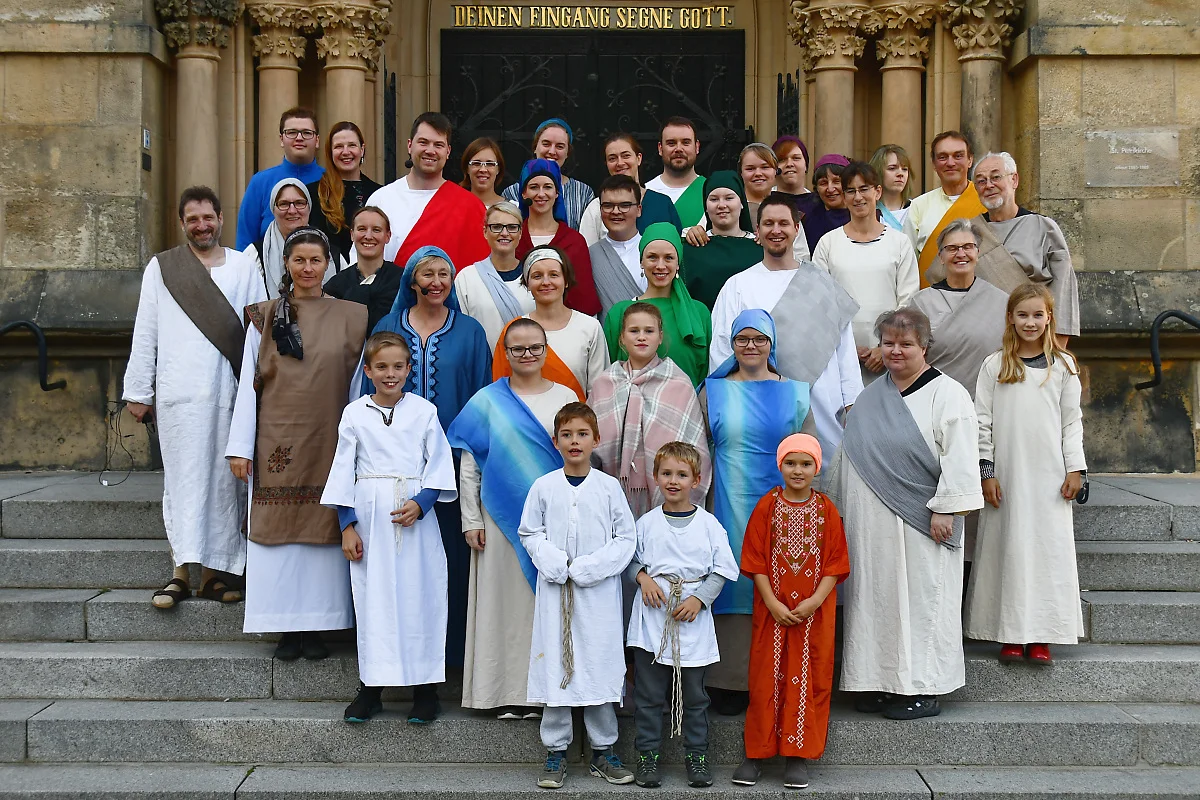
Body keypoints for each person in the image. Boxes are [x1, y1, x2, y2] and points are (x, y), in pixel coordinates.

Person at [831, 307, 983, 720]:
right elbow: (850, 455)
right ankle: (880, 682)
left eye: (906, 344)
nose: (896, 351)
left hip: (924, 520)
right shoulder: (871, 394)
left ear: (924, 346)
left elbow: (962, 458)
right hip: (872, 522)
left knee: (921, 602)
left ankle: (923, 688)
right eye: (889, 343)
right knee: (876, 600)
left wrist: (949, 509)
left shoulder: (948, 394)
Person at [226, 227, 366, 661]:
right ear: (286, 264)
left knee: (322, 535)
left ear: (329, 264)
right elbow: (249, 383)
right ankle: (284, 627)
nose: (308, 268)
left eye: (316, 260)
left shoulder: (352, 315)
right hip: (276, 441)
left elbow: (360, 384)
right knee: (279, 538)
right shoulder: (265, 316)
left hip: (330, 438)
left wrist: (361, 444)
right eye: (299, 260)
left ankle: (318, 626)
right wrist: (240, 447)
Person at [124, 186, 266, 609]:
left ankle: (219, 575)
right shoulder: (163, 268)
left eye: (208, 217)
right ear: (182, 223)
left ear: (221, 218)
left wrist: (260, 389)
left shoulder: (245, 267)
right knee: (184, 483)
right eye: (193, 219)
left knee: (227, 485)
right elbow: (146, 327)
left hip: (229, 392)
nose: (202, 225)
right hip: (178, 394)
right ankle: (180, 573)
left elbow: (257, 331)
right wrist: (138, 389)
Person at [322, 331, 457, 724]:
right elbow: (342, 469)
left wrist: (422, 502)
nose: (390, 373)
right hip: (368, 517)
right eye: (381, 366)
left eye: (398, 366)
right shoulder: (355, 413)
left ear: (409, 369)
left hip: (413, 517)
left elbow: (439, 464)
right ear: (368, 370)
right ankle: (372, 688)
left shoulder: (422, 411)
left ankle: (426, 690)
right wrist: (347, 525)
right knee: (374, 600)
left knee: (421, 596)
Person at [368, 246, 492, 670]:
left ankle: (451, 657)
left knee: (449, 559)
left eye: (444, 273)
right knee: (399, 560)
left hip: (453, 465)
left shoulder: (470, 332)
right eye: (428, 273)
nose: (436, 281)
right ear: (412, 281)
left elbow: (481, 397)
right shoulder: (388, 326)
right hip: (393, 468)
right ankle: (397, 658)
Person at [449, 319, 579, 719]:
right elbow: (470, 464)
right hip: (499, 516)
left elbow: (578, 457)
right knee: (499, 604)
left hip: (552, 521)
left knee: (542, 605)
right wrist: (471, 518)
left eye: (535, 347)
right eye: (518, 348)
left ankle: (540, 694)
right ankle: (498, 692)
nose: (527, 355)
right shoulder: (487, 400)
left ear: (545, 349)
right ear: (505, 353)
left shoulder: (566, 397)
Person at [701, 308, 816, 715]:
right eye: (742, 340)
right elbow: (697, 450)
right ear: (731, 345)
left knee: (782, 583)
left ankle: (778, 678)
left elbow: (809, 450)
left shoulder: (796, 392)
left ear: (772, 345)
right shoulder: (712, 390)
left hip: (784, 504)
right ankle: (728, 681)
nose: (751, 347)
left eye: (759, 339)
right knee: (731, 580)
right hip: (726, 501)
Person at [965, 284, 1086, 665]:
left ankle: (1043, 633)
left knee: (1046, 553)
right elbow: (981, 422)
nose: (1030, 322)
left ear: (1049, 318)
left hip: (1050, 477)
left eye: (1038, 315)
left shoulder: (1064, 367)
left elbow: (1072, 422)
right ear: (1011, 319)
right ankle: (1010, 633)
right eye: (1023, 315)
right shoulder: (995, 365)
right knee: (1009, 550)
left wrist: (1075, 468)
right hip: (1008, 477)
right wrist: (986, 472)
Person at [520, 401, 637, 790]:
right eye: (567, 434)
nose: (575, 441)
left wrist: (589, 568)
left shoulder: (608, 488)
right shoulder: (544, 486)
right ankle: (556, 750)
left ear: (595, 439)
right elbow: (529, 533)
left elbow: (626, 538)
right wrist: (555, 563)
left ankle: (604, 750)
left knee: (599, 665)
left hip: (598, 595)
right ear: (556, 441)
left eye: (582, 434)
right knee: (557, 662)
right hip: (556, 594)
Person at [733, 433, 849, 791]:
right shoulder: (766, 507)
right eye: (790, 462)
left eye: (806, 463)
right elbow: (754, 561)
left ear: (817, 467)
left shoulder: (826, 510)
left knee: (810, 678)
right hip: (773, 613)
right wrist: (773, 603)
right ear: (779, 465)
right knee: (765, 677)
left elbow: (836, 563)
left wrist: (813, 602)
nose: (798, 470)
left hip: (814, 616)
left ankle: (797, 755)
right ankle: (756, 753)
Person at [710, 195, 862, 464]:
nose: (776, 230)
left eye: (783, 223)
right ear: (757, 231)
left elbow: (845, 351)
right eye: (768, 223)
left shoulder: (823, 283)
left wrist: (852, 402)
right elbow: (722, 351)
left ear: (796, 228)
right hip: (758, 405)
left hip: (822, 404)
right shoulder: (738, 285)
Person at [626, 441, 739, 790]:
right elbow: (628, 559)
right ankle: (647, 757)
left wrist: (700, 600)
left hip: (692, 619)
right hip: (652, 621)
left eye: (682, 474)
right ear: (656, 477)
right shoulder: (645, 523)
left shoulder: (708, 525)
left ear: (696, 479)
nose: (673, 480)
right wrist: (643, 578)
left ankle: (697, 755)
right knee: (648, 696)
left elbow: (721, 570)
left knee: (695, 696)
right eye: (666, 473)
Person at [590, 302, 711, 518]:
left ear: (660, 337)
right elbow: (592, 443)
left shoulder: (678, 383)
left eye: (649, 331)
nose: (641, 337)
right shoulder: (605, 383)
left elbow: (693, 447)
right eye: (634, 331)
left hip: (667, 494)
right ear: (621, 338)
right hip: (612, 492)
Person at [812, 161, 919, 384]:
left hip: (891, 358)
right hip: (840, 357)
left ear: (877, 191)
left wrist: (885, 346)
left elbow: (908, 299)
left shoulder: (899, 243)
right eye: (850, 191)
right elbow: (820, 300)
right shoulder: (828, 243)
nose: (857, 197)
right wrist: (847, 347)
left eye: (864, 189)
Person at [973, 151, 1081, 342]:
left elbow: (1063, 289)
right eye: (981, 181)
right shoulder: (969, 232)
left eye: (996, 177)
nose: (988, 185)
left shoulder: (1043, 227)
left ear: (1014, 180)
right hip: (982, 337)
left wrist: (1056, 347)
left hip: (1033, 337)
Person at [366, 112, 489, 271]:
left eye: (438, 145)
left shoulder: (470, 206)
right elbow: (361, 262)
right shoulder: (381, 199)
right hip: (387, 295)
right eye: (423, 142)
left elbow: (479, 271)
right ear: (410, 145)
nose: (430, 151)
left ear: (448, 151)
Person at [601, 223, 711, 386]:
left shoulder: (698, 312)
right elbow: (610, 371)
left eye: (669, 258)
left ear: (678, 263)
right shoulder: (620, 313)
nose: (660, 265)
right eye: (652, 257)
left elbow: (704, 371)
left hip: (686, 407)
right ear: (641, 262)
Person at [910, 218, 1008, 399]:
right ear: (940, 256)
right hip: (936, 399)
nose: (961, 253)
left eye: (968, 247)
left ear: (978, 253)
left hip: (989, 403)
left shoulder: (1002, 302)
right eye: (952, 248)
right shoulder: (921, 304)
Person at [493, 246, 608, 395]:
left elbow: (598, 392)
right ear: (527, 284)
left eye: (554, 275)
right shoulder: (513, 330)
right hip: (524, 417)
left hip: (576, 417)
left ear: (566, 281)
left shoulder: (589, 327)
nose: (546, 282)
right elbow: (501, 391)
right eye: (537, 276)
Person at [512, 158, 600, 316]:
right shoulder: (513, 238)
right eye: (533, 187)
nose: (541, 194)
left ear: (557, 192)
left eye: (548, 187)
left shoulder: (574, 241)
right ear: (524, 193)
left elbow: (583, 299)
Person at [236, 107, 324, 249]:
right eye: (292, 132)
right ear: (281, 139)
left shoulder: (332, 182)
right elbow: (245, 241)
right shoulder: (260, 182)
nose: (299, 138)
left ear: (317, 140)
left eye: (307, 133)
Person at [903, 131, 986, 278]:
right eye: (942, 157)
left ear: (970, 160)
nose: (950, 163)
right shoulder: (919, 205)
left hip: (981, 292)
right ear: (934, 164)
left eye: (958, 155)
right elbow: (907, 261)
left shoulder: (985, 200)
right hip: (931, 295)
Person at [455, 201, 536, 349]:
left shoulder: (534, 276)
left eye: (512, 227)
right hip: (482, 366)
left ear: (520, 232)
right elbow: (461, 333)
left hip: (528, 365)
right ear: (485, 231)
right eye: (497, 227)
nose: (504, 233)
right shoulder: (467, 278)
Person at [578, 133, 683, 246]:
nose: (620, 163)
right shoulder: (596, 207)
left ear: (638, 158)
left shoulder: (662, 204)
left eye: (626, 156)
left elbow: (676, 247)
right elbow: (586, 252)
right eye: (612, 158)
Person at [679, 171, 763, 309]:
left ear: (742, 203)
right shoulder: (691, 247)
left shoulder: (759, 247)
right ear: (705, 206)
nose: (721, 205)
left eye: (729, 198)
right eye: (714, 199)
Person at [244, 178, 337, 299]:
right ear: (273, 209)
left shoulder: (334, 255)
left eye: (299, 203)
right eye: (284, 204)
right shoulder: (255, 255)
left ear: (309, 207)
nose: (292, 211)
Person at [307, 121, 381, 265]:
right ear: (330, 152)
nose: (346, 152)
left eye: (352, 145)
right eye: (338, 146)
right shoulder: (313, 193)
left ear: (362, 149)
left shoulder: (379, 193)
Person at [502, 118, 595, 230]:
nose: (552, 151)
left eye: (559, 146)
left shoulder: (583, 193)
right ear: (535, 147)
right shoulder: (512, 193)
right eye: (546, 144)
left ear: (567, 153)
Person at [322, 206, 403, 335]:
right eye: (362, 229)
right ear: (352, 235)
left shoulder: (402, 281)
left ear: (388, 236)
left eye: (376, 230)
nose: (368, 236)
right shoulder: (335, 286)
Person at [588, 174, 644, 316]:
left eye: (625, 205)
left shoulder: (653, 250)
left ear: (638, 210)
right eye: (608, 206)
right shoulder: (590, 255)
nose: (616, 212)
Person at [645, 116, 706, 227]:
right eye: (671, 143)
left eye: (686, 142)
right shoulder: (645, 192)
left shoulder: (711, 192)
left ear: (697, 147)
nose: (678, 148)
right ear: (660, 148)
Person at [800, 154, 851, 254]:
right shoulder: (807, 220)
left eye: (837, 181)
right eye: (823, 183)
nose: (830, 189)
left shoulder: (860, 216)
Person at [869, 144, 914, 230]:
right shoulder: (867, 212)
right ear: (878, 172)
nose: (900, 174)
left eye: (904, 169)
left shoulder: (917, 210)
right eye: (892, 168)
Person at [460, 137, 506, 208]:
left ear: (498, 169)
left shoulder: (514, 207)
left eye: (490, 164)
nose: (483, 169)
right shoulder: (453, 207)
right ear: (467, 168)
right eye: (476, 163)